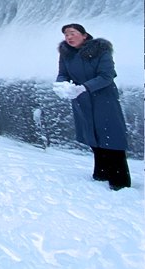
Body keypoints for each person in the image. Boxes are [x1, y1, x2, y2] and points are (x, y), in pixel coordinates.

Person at [54, 23, 130, 190]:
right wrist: (62, 86)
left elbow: (107, 76)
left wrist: (84, 87)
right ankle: (101, 173)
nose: (69, 37)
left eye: (72, 33)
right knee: (93, 135)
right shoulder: (66, 54)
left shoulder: (101, 50)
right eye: (66, 35)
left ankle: (119, 180)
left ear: (84, 35)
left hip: (104, 98)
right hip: (82, 100)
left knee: (112, 136)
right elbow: (63, 74)